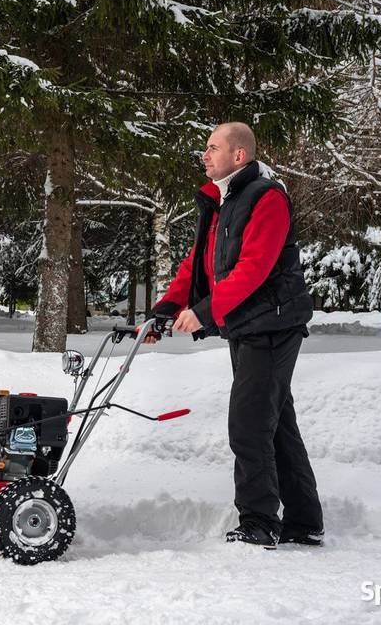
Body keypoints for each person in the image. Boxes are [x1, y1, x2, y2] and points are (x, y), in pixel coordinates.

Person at [145, 122, 324, 548]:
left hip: (273, 325)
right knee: (275, 424)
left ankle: (259, 522)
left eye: (213, 148)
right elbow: (197, 264)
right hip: (247, 326)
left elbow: (254, 269)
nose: (204, 155)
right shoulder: (223, 201)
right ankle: (304, 521)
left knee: (248, 424)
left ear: (238, 155)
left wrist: (203, 312)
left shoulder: (267, 197)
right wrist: (163, 311)